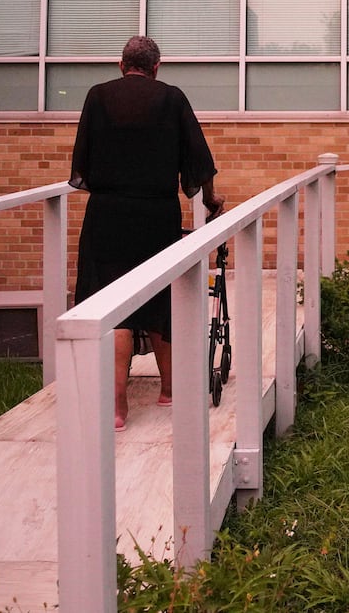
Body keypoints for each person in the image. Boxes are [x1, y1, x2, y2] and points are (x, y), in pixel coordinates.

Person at [70, 35, 224, 432]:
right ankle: (169, 390)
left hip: (106, 214)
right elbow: (199, 160)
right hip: (156, 214)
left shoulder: (97, 96)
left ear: (121, 65)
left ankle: (117, 408)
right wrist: (210, 201)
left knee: (111, 302)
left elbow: (81, 163)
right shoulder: (171, 98)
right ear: (157, 68)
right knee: (161, 298)